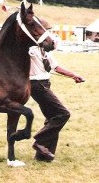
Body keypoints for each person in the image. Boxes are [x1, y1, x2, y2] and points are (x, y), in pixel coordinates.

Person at [30, 19, 85, 162]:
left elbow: (56, 67)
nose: (49, 34)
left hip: (45, 84)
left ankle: (43, 156)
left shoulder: (45, 49)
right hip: (36, 85)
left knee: (52, 118)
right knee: (62, 114)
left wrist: (73, 75)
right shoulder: (30, 49)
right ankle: (39, 141)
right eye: (47, 30)